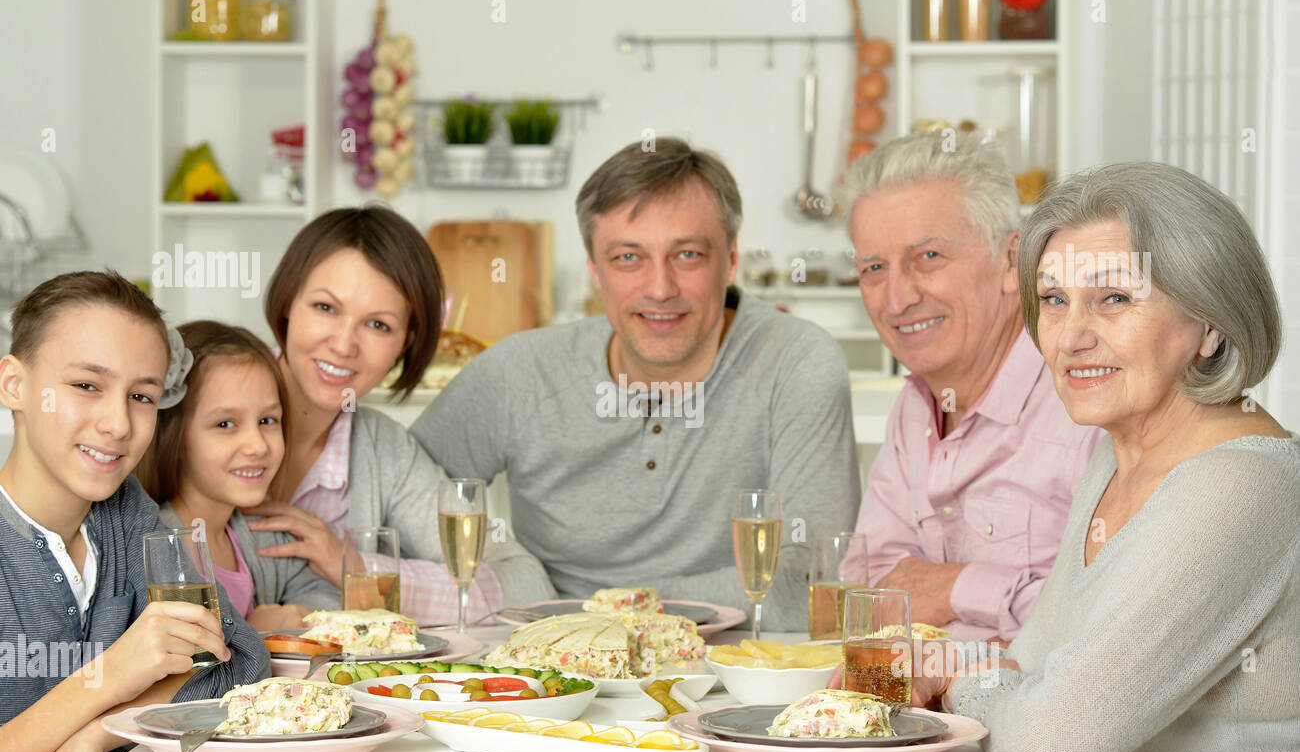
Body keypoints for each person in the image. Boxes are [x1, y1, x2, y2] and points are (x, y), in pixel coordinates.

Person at [918, 161, 1299, 752]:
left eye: (1115, 298)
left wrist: (962, 681)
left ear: (1210, 323)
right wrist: (997, 684)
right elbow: (1037, 670)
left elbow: (1052, 750)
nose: (1071, 336)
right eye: (1055, 300)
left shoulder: (1242, 489)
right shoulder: (1117, 454)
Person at [409, 138, 861, 631]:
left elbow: (813, 584)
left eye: (687, 254)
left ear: (730, 261)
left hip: (732, 674)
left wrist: (592, 614)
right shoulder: (520, 372)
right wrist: (515, 574)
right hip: (544, 674)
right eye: (628, 258)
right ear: (594, 271)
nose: (660, 288)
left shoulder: (796, 363)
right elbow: (399, 499)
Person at [0, 271, 270, 752]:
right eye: (86, 386)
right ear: (14, 384)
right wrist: (112, 676)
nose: (119, 423)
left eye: (142, 395)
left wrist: (94, 734)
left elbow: (237, 657)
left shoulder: (125, 513)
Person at [839, 131, 1100, 641]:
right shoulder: (916, 404)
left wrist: (954, 588)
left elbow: (1109, 627)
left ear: (1012, 263)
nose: (896, 300)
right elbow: (862, 589)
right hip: (923, 711)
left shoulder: (1088, 402)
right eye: (874, 268)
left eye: (928, 257)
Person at [244, 206, 554, 625]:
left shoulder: (383, 450)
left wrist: (356, 572)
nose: (343, 344)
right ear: (287, 304)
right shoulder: (204, 400)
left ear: (406, 342)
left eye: (377, 325)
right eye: (325, 307)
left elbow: (527, 583)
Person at [136, 321, 337, 631]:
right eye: (226, 424)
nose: (257, 445)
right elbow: (187, 662)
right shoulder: (155, 549)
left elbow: (326, 593)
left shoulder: (259, 534)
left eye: (268, 420)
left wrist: (298, 613)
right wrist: (254, 631)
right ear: (173, 436)